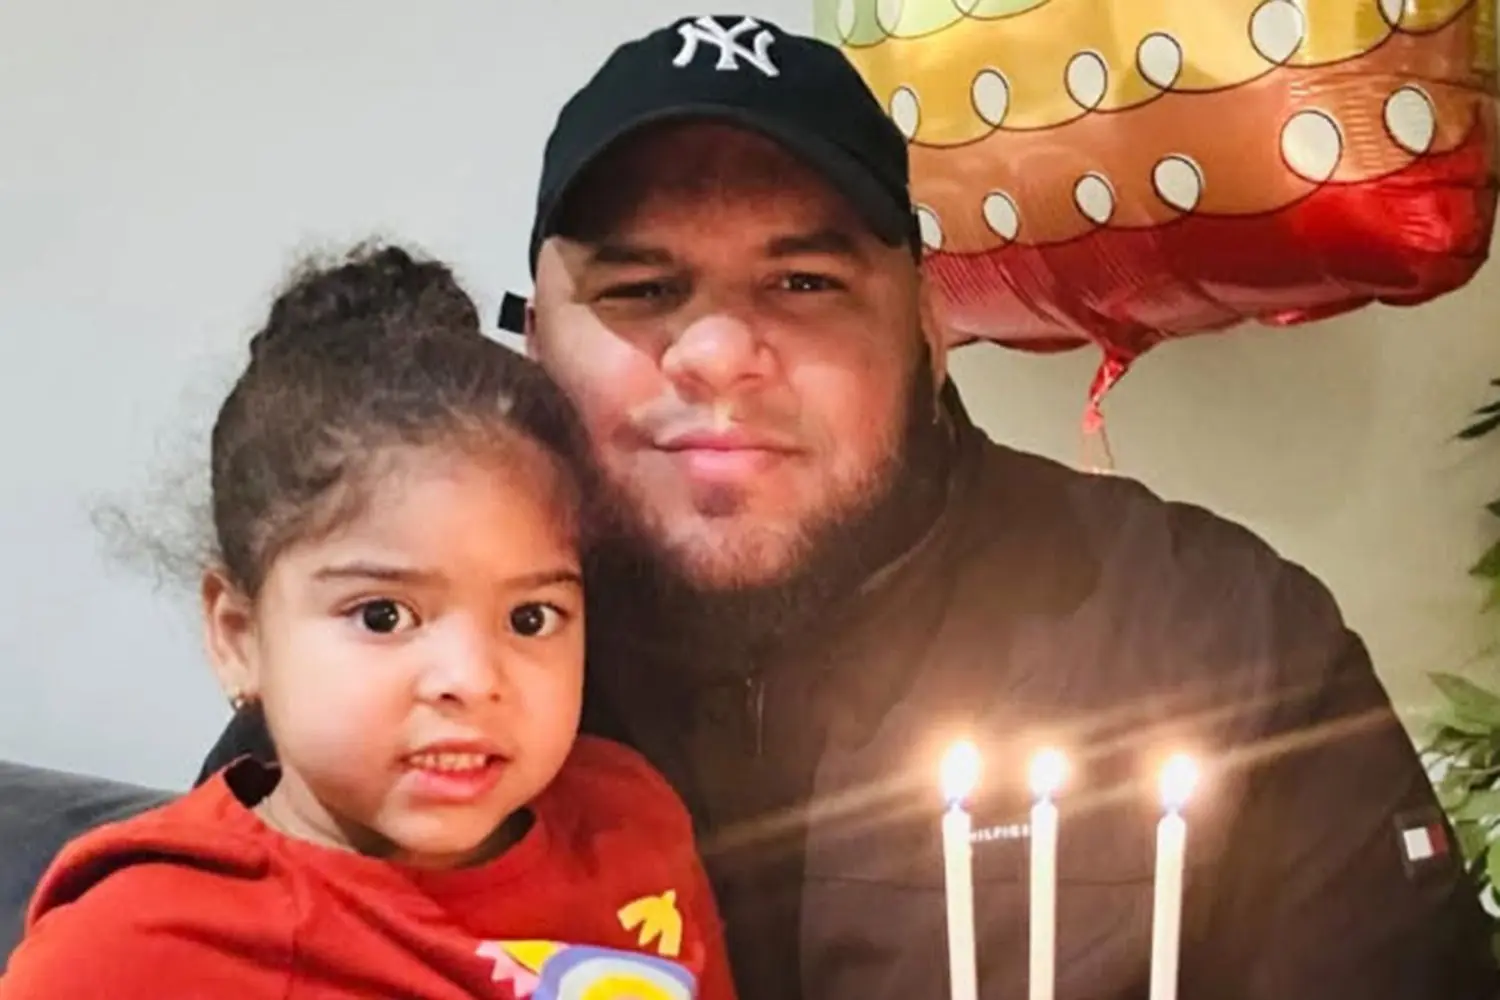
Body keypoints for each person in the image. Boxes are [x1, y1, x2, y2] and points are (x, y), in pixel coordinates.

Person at [201, 14, 1499, 1000]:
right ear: (537, 339)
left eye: (805, 284)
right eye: (641, 290)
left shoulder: (1218, 646)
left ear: (929, 327)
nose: (718, 355)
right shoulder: (404, 676)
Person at [0, 245, 734, 999]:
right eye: (384, 616)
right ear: (238, 636)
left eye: (530, 616)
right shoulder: (141, 947)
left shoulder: (630, 821)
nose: (471, 679)